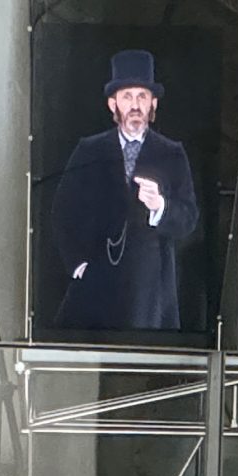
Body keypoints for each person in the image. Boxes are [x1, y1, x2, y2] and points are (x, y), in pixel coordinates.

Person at [52, 48, 200, 331]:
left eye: (142, 97)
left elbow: (189, 219)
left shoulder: (171, 153)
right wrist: (78, 264)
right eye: (127, 97)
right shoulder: (89, 150)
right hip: (97, 287)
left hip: (149, 294)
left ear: (153, 103)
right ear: (113, 104)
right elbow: (62, 211)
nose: (135, 105)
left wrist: (160, 207)